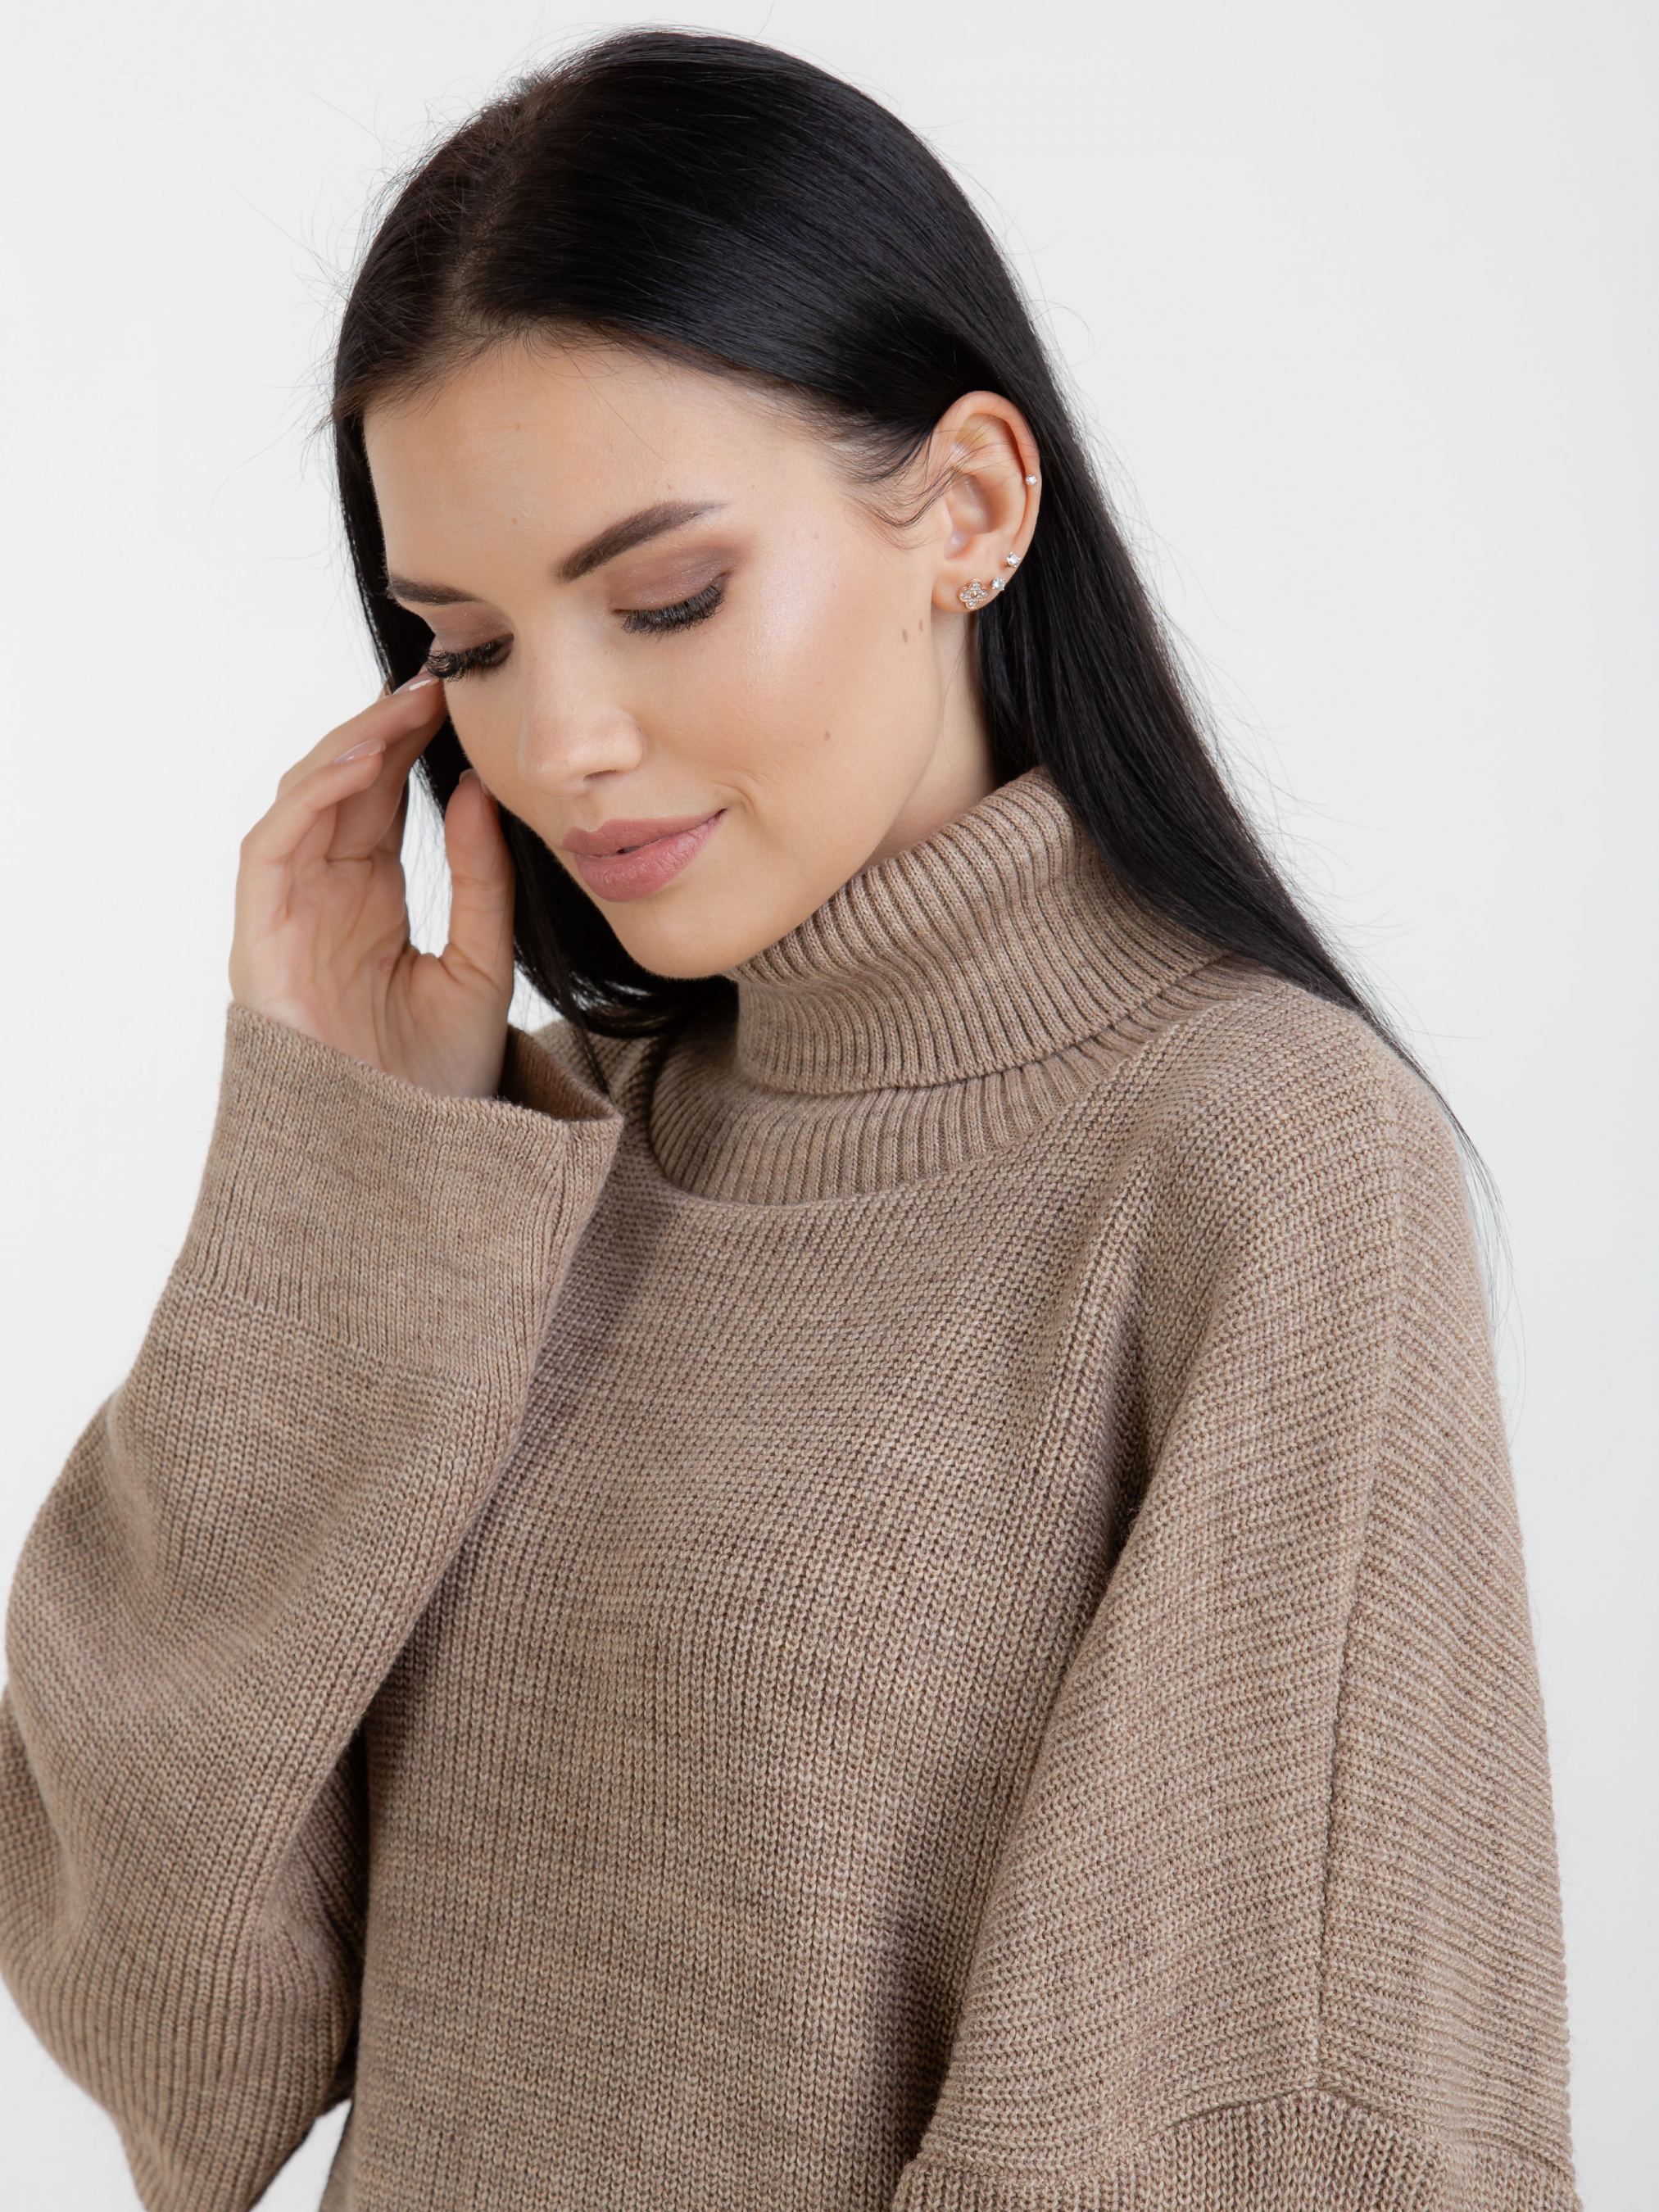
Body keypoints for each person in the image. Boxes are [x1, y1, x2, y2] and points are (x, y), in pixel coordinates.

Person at [0, 28, 1580, 2212]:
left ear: (971, 510)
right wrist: (345, 1172)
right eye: (467, 646)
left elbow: (1273, 2123)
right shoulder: (526, 1177)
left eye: (667, 597)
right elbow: (178, 2028)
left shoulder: (1257, 1161)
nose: (561, 740)